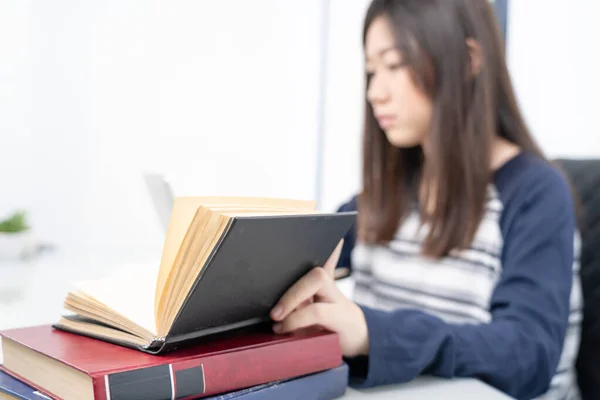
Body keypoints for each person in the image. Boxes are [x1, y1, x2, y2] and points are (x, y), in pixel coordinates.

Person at [269, 1, 582, 399]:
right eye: (371, 70)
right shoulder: (383, 197)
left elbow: (526, 353)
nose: (374, 92)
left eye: (395, 64)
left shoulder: (535, 194)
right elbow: (299, 268)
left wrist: (373, 333)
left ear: (468, 60)